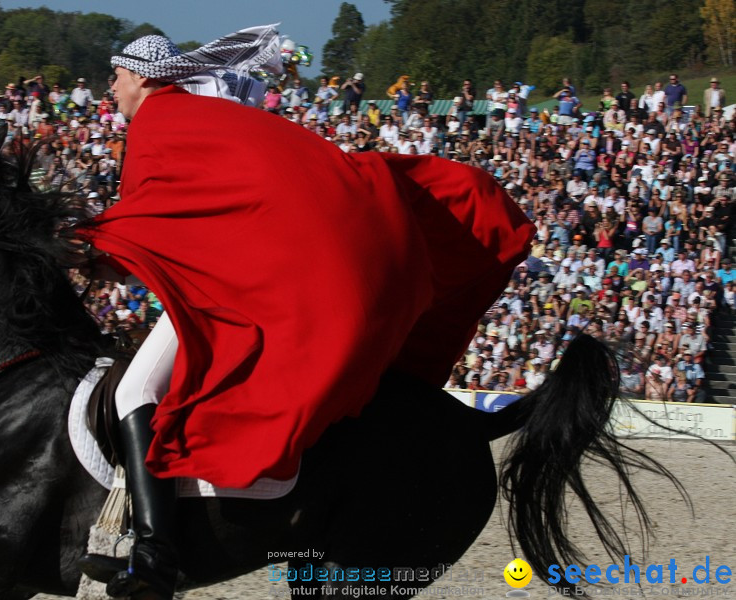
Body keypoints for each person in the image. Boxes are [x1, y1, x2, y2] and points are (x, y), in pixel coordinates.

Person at [76, 25, 534, 600]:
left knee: (132, 390)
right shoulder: (189, 115)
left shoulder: (160, 121)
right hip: (243, 266)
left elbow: (152, 218)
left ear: (141, 75)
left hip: (242, 279)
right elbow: (180, 218)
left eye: (114, 76)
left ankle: (153, 556)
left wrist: (90, 243)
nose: (110, 89)